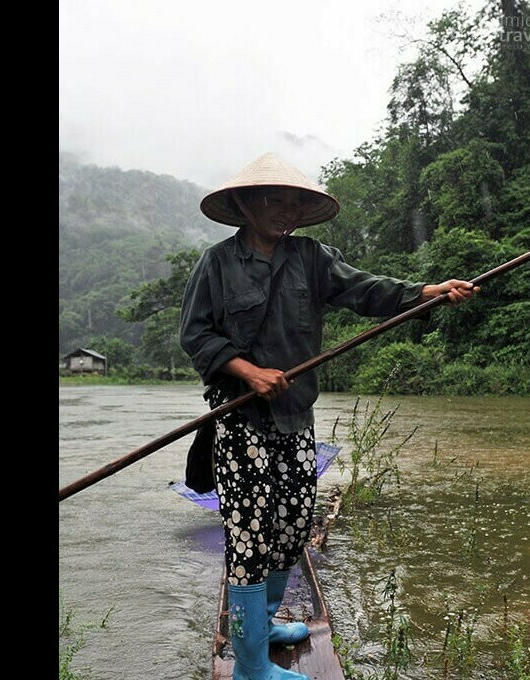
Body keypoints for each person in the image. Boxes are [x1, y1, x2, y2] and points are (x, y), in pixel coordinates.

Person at [179, 153, 475, 679]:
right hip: (241, 424)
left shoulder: (311, 257)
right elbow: (196, 335)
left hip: (296, 421)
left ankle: (265, 623)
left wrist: (427, 293)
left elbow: (365, 290)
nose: (286, 210)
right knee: (249, 539)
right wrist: (248, 371)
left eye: (294, 201)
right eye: (275, 199)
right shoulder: (217, 264)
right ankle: (250, 668)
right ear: (245, 204)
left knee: (292, 530)